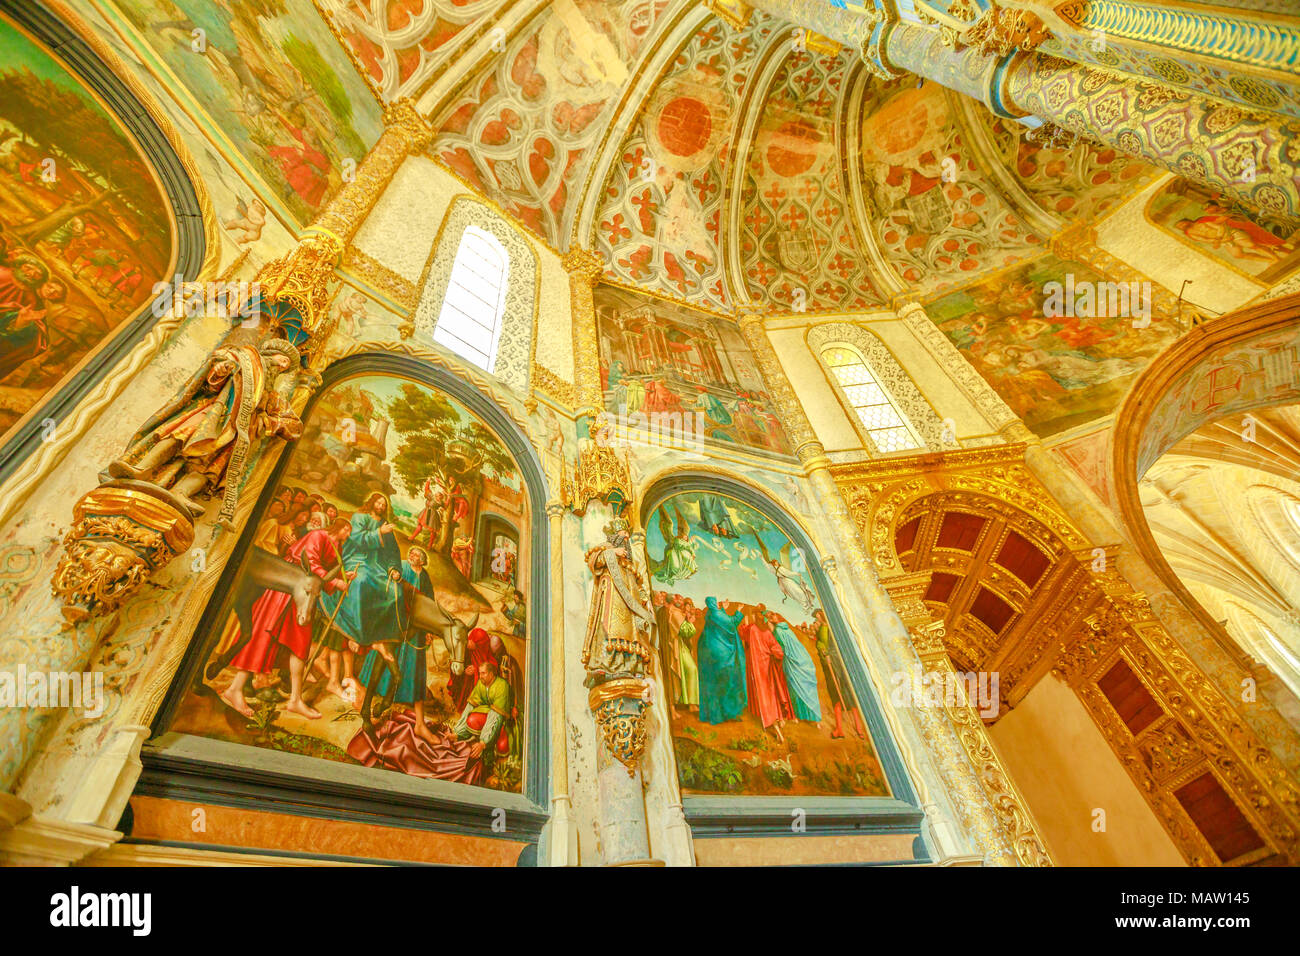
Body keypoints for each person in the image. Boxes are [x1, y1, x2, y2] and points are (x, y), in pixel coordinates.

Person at [220, 518, 354, 720]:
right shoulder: (319, 536)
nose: (348, 534)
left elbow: (324, 579)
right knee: (263, 637)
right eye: (347, 529)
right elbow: (309, 562)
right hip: (288, 588)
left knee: (300, 645)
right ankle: (236, 689)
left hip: (307, 595)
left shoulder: (337, 548)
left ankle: (295, 699)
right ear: (340, 527)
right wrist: (335, 581)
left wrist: (342, 580)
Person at [357, 546, 439, 743]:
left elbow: (429, 602)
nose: (412, 555)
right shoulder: (401, 566)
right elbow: (387, 584)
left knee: (414, 670)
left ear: (423, 560)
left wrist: (428, 630)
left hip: (415, 629)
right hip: (394, 623)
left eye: (417, 554)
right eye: (411, 552)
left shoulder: (425, 576)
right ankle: (373, 707)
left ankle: (419, 724)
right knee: (382, 665)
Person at [318, 493, 404, 662]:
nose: (381, 506)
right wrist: (379, 532)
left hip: (376, 565)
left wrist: (394, 569)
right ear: (371, 502)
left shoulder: (384, 524)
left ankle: (378, 638)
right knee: (361, 582)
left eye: (383, 504)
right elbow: (357, 539)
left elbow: (392, 550)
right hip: (356, 559)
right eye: (378, 502)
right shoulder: (360, 517)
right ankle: (355, 634)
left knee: (396, 592)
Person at [739, 606, 794, 742]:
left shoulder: (752, 629)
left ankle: (775, 725)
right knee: (772, 694)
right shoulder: (767, 632)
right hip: (768, 668)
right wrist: (773, 655)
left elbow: (742, 633)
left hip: (758, 669)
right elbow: (778, 650)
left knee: (765, 697)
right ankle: (778, 719)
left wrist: (744, 622)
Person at [813, 609, 866, 739]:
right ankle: (847, 730)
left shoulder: (828, 629)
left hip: (836, 667)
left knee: (843, 696)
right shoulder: (825, 629)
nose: (816, 619)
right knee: (840, 696)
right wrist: (823, 650)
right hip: (832, 666)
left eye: (817, 617)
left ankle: (851, 729)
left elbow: (833, 647)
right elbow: (822, 644)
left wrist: (828, 654)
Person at [452, 657, 514, 762]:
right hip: (488, 715)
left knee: (502, 747)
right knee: (471, 719)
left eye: (483, 673)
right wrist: (457, 733)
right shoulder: (481, 683)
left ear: (491, 674)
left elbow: (496, 716)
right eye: (480, 673)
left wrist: (483, 743)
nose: (480, 676)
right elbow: (470, 705)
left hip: (502, 721)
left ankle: (488, 747)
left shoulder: (502, 686)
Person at [696, 597, 747, 724]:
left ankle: (719, 714)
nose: (719, 603)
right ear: (714, 603)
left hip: (713, 656)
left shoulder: (710, 614)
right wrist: (739, 610)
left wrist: (723, 609)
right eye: (717, 602)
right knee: (727, 684)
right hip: (722, 657)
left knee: (716, 685)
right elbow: (731, 623)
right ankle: (726, 714)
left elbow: (722, 623)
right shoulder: (715, 613)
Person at [772, 615, 821, 722]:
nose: (773, 618)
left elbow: (782, 647)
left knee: (796, 686)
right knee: (801, 686)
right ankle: (808, 715)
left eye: (773, 616)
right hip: (801, 657)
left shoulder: (778, 631)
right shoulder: (787, 629)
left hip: (791, 660)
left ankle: (803, 714)